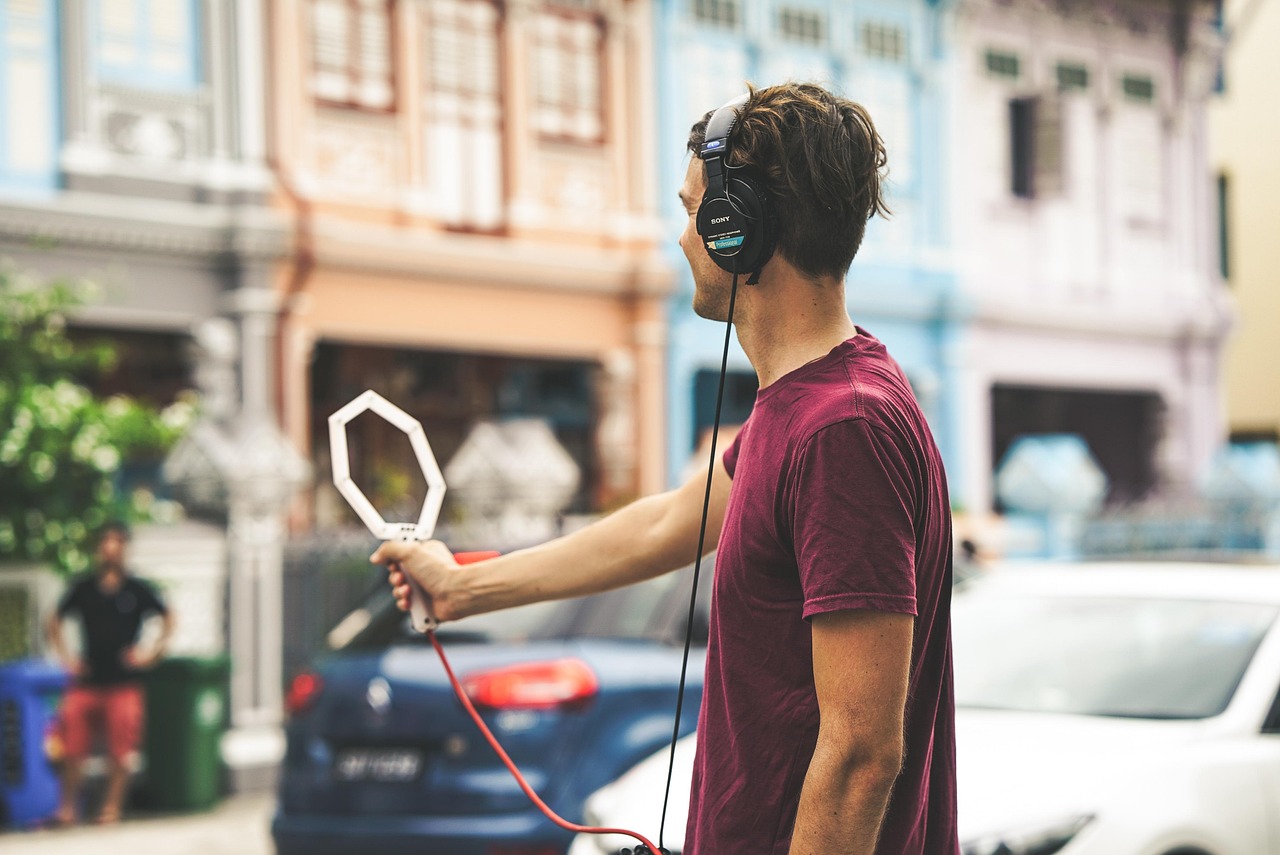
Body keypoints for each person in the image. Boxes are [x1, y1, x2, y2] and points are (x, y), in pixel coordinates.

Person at [373, 82, 958, 855]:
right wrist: (464, 587)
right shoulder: (801, 408)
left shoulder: (843, 426)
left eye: (692, 212)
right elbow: (667, 523)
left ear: (738, 229)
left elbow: (861, 753)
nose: (681, 239)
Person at [45, 521, 174, 825]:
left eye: (116, 542)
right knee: (71, 745)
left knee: (121, 750)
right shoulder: (85, 587)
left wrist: (151, 653)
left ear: (125, 548)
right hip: (87, 680)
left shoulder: (136, 589)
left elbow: (168, 618)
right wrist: (66, 658)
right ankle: (66, 808)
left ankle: (111, 808)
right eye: (105, 542)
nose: (110, 548)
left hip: (124, 682)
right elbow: (54, 619)